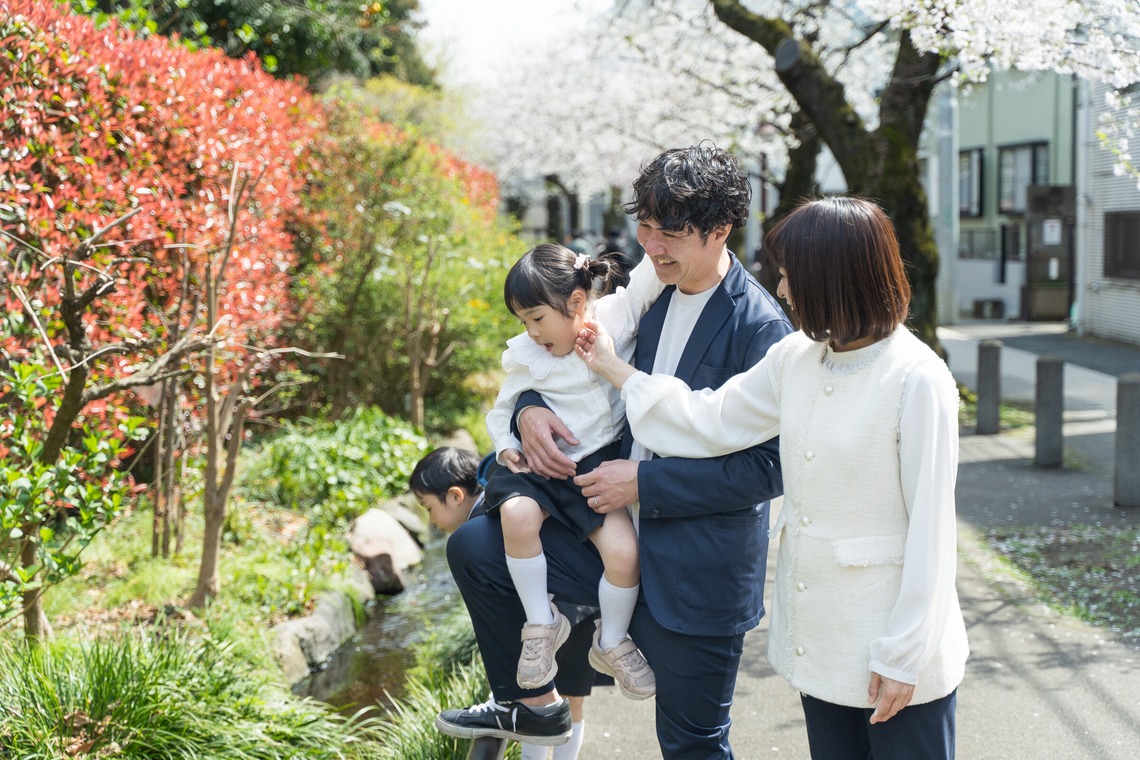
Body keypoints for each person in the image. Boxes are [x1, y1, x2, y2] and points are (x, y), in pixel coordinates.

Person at [576, 196, 969, 760]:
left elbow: (933, 533)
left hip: (893, 642)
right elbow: (707, 419)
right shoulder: (797, 357)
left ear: (835, 279)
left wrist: (904, 656)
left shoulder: (918, 378)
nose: (782, 292)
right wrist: (614, 368)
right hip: (822, 639)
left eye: (790, 276)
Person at [436, 144, 793, 757]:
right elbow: (566, 364)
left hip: (694, 566)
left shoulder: (759, 326)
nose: (651, 246)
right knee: (475, 544)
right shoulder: (651, 294)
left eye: (670, 233)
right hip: (616, 532)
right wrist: (528, 411)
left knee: (691, 746)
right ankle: (530, 707)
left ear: (720, 231)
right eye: (645, 227)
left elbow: (771, 467)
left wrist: (643, 485)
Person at [482, 244, 663, 702]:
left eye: (538, 317)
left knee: (624, 553)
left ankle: (612, 639)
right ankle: (541, 622)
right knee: (517, 517)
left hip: (597, 466)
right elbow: (502, 408)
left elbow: (646, 282)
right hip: (540, 468)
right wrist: (507, 449)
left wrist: (656, 239)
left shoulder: (615, 319)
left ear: (578, 303)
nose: (531, 331)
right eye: (522, 320)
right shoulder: (528, 354)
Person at [411, 447, 606, 760]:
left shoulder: (484, 530)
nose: (431, 520)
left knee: (535, 698)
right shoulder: (507, 495)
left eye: (428, 507)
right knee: (571, 701)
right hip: (584, 608)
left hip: (548, 621)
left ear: (455, 496)